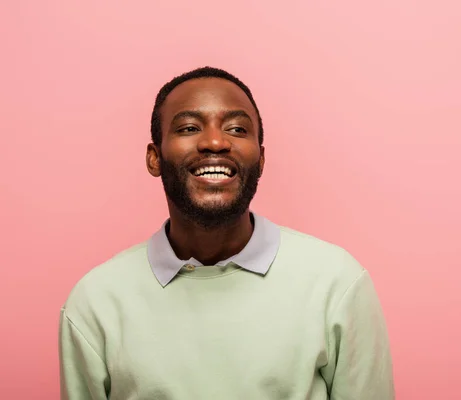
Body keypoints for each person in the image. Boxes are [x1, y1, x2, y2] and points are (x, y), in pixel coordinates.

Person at [59, 66, 395, 399]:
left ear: (261, 159)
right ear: (154, 158)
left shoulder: (336, 284)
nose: (216, 142)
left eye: (236, 128)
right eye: (189, 127)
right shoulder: (95, 303)